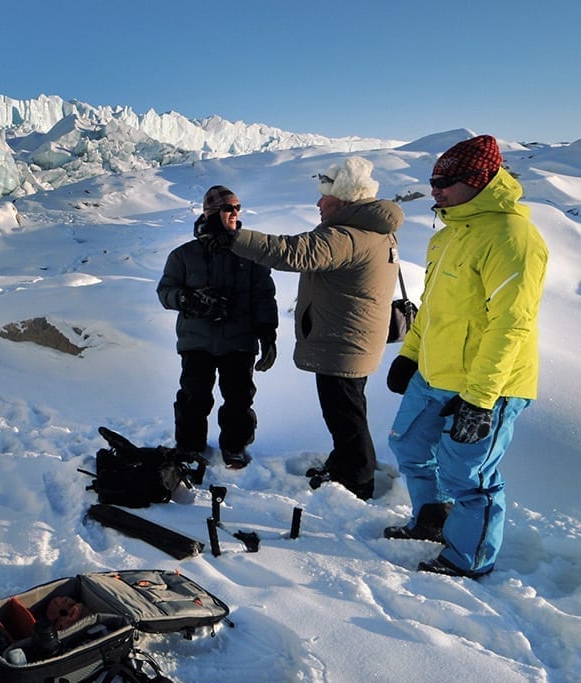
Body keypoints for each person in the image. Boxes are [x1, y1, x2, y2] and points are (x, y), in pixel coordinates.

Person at [380, 135, 547, 579]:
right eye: (432, 180)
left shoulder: (512, 237)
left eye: (446, 181)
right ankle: (432, 521)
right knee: (409, 445)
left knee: (468, 476)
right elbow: (431, 306)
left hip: (488, 383)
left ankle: (469, 558)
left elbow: (511, 325)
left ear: (479, 180)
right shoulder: (450, 233)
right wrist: (410, 354)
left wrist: (480, 399)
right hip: (434, 373)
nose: (435, 189)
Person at [219, 157, 403, 500]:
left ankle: (357, 481)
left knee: (346, 417)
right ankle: (344, 463)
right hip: (353, 338)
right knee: (346, 411)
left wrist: (234, 237)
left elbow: (292, 252)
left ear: (344, 199)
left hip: (344, 342)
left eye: (324, 197)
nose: (318, 203)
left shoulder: (348, 236)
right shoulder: (376, 231)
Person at [157, 185, 278, 469]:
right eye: (228, 208)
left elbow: (264, 296)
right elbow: (165, 292)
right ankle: (189, 447)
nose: (235, 213)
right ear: (211, 214)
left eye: (237, 207)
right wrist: (188, 299)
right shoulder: (184, 255)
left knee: (239, 398)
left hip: (239, 341)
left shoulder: (250, 253)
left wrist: (268, 336)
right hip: (197, 341)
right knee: (193, 398)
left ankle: (235, 446)